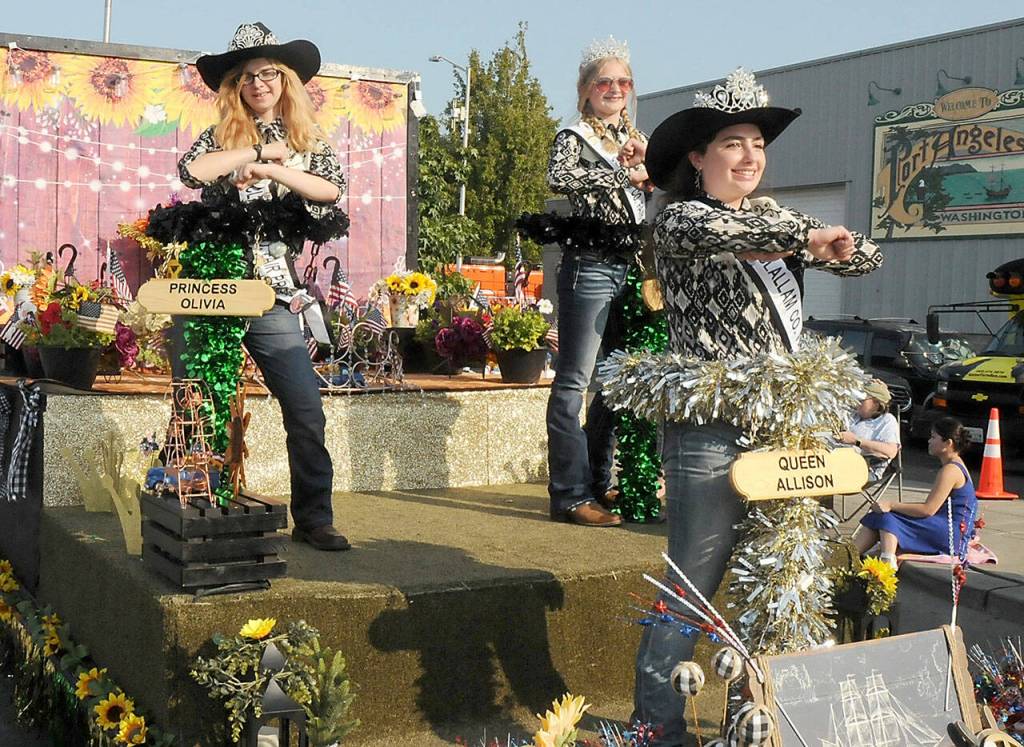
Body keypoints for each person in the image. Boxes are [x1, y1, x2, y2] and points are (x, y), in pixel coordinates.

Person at [632, 68, 884, 745]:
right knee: (696, 576)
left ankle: (759, 716)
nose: (750, 156)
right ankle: (655, 724)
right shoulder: (683, 217)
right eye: (733, 143)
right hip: (711, 425)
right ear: (697, 156)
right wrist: (805, 235)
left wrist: (838, 242)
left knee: (780, 575)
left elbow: (863, 259)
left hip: (784, 426)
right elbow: (727, 236)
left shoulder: (775, 220)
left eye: (758, 144)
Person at [174, 22, 349, 551]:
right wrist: (251, 154)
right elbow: (192, 171)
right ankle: (197, 510)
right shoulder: (219, 138)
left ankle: (314, 518)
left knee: (304, 408)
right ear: (235, 87)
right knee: (196, 404)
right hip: (211, 291)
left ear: (285, 81)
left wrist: (276, 168)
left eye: (269, 73)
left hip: (271, 296)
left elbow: (329, 190)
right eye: (247, 76)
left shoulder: (307, 142)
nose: (259, 83)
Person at [545, 36, 652, 527]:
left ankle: (597, 480)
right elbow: (560, 177)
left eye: (623, 81)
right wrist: (621, 172)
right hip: (588, 265)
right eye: (604, 81)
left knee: (614, 382)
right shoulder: (573, 136)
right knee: (574, 383)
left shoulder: (637, 139)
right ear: (585, 89)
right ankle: (568, 496)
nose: (615, 88)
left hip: (631, 268)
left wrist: (649, 168)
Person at [854, 416, 977, 568]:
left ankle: (883, 560)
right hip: (949, 528)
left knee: (887, 516)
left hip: (951, 535)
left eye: (933, 437)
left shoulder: (950, 470)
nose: (929, 441)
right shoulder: (955, 466)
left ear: (948, 443)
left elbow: (928, 509)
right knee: (883, 516)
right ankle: (858, 556)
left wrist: (892, 504)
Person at [837, 378, 900, 482]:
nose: (857, 402)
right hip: (836, 464)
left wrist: (856, 441)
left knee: (824, 476)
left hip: (864, 470)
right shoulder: (853, 415)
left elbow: (891, 451)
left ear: (876, 402)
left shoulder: (886, 420)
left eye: (861, 399)